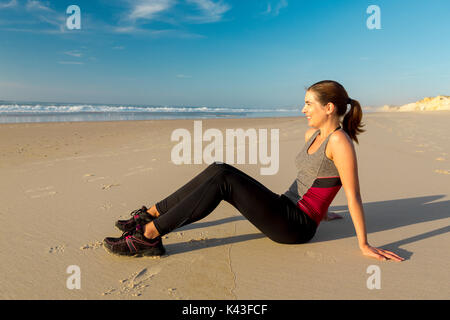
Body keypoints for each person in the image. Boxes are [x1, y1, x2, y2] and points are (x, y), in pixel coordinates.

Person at [103, 80, 404, 262]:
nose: (303, 109)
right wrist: (324, 209)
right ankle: (150, 215)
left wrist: (363, 244)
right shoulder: (311, 135)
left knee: (224, 180)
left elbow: (354, 195)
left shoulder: (340, 141)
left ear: (328, 108)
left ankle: (149, 236)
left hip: (296, 226)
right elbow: (316, 180)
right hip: (286, 207)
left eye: (308, 103)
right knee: (218, 168)